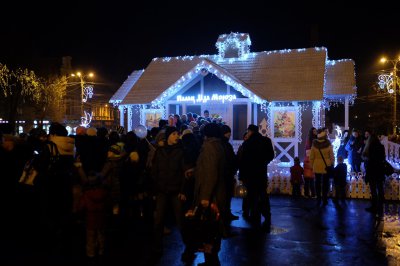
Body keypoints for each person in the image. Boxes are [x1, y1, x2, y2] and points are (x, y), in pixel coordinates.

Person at [150, 126, 189, 262]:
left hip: (175, 190)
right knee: (158, 221)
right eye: (174, 134)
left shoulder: (181, 152)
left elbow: (184, 173)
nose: (177, 136)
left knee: (180, 220)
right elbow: (154, 171)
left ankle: (188, 247)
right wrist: (154, 189)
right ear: (168, 136)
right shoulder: (159, 151)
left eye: (177, 134)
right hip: (161, 190)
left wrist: (183, 191)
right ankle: (157, 248)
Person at [192, 123, 226, 265]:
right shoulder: (218, 145)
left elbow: (211, 173)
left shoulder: (209, 147)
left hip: (211, 196)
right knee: (212, 229)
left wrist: (205, 196)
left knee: (208, 228)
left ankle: (210, 260)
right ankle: (211, 258)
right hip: (217, 193)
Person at [239, 124, 275, 230]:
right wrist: (264, 163)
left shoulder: (247, 143)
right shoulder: (266, 141)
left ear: (250, 131)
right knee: (263, 194)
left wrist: (242, 174)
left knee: (252, 195)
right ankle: (267, 215)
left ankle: (255, 215)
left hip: (249, 174)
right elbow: (271, 155)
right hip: (261, 172)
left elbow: (243, 160)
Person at [78, 173, 110, 261]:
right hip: (101, 218)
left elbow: (81, 207)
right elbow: (108, 204)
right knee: (101, 236)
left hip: (90, 219)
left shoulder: (86, 194)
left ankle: (91, 254)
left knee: (90, 238)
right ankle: (101, 251)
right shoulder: (105, 193)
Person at [362, 133, 386, 219]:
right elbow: (383, 158)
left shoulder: (370, 148)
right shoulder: (381, 146)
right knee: (380, 189)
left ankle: (374, 207)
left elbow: (368, 161)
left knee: (373, 190)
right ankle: (380, 207)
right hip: (379, 170)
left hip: (372, 171)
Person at [310, 129, 334, 206]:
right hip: (326, 166)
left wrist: (312, 165)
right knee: (325, 183)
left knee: (317, 182)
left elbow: (311, 157)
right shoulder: (328, 144)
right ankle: (324, 199)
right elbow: (331, 156)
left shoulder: (314, 145)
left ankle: (318, 198)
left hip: (317, 165)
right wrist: (331, 164)